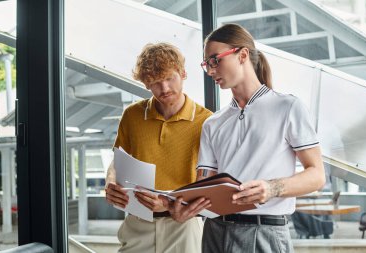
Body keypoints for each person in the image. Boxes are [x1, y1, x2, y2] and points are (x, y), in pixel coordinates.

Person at [161, 24, 326, 252]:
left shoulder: (287, 107)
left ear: (243, 54)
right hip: (214, 233)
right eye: (206, 64)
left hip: (264, 234)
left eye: (215, 60)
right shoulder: (213, 123)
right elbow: (203, 185)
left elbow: (316, 175)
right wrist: (185, 209)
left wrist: (272, 188)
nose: (209, 71)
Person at [105, 42, 212, 253]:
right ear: (146, 84)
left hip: (183, 224)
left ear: (183, 73)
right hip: (137, 223)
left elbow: (210, 181)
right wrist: (110, 181)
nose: (164, 89)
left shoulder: (206, 121)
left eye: (169, 78)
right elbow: (118, 160)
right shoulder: (132, 115)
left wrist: (167, 203)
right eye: (155, 82)